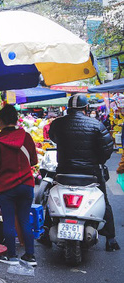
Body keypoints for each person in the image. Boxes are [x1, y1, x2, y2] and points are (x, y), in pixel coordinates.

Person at [49, 94, 119, 251]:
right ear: (86, 108)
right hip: (91, 173)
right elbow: (107, 149)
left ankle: (45, 233)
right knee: (104, 201)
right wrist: (96, 160)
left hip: (64, 172)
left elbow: (53, 137)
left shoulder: (58, 124)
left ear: (68, 108)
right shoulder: (96, 125)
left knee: (49, 194)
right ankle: (110, 239)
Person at [0, 104, 38, 266]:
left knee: (9, 220)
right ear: (16, 120)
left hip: (6, 186)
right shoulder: (26, 137)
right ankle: (30, 256)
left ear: (1, 121)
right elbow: (34, 161)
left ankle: (12, 256)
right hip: (26, 185)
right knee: (24, 220)